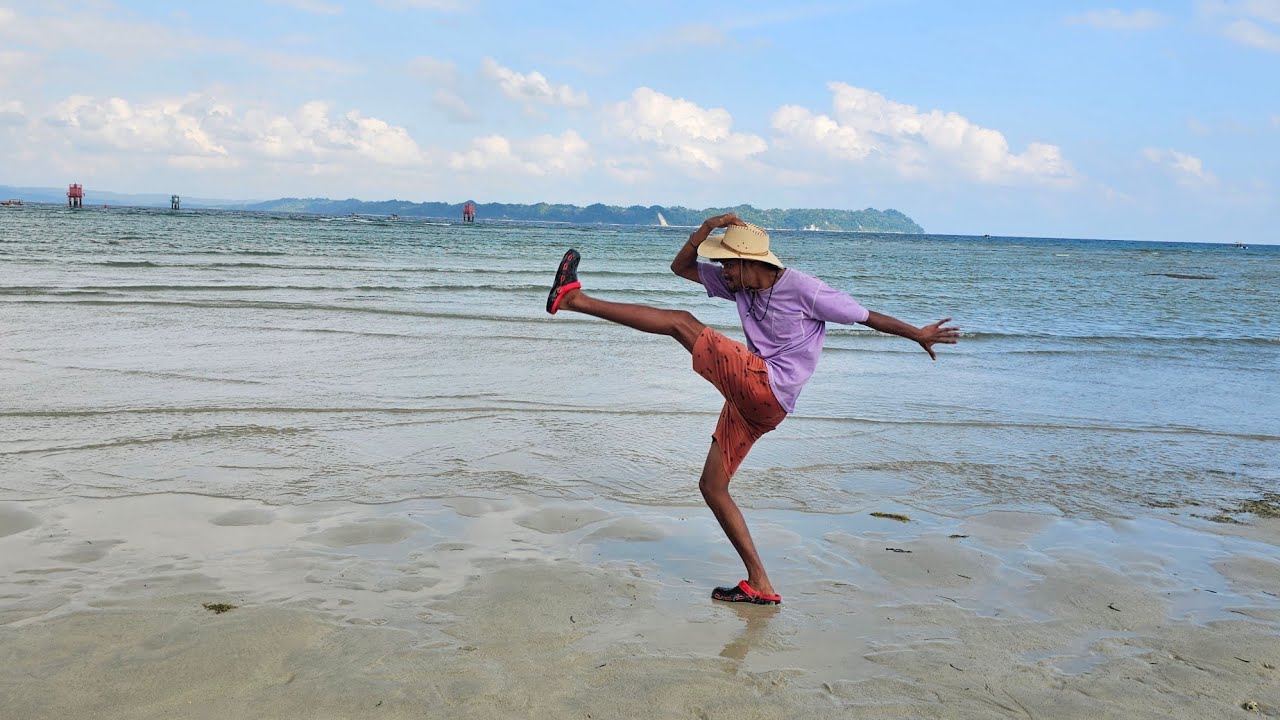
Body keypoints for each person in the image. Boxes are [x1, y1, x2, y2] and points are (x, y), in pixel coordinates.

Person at [545, 213, 959, 605]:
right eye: (721, 264)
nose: (721, 271)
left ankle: (573, 300)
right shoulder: (739, 285)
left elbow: (867, 317)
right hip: (757, 405)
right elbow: (681, 267)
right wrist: (708, 226)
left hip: (767, 387)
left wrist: (917, 333)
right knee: (712, 487)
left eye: (727, 263)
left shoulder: (805, 289)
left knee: (681, 322)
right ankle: (760, 584)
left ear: (748, 262)